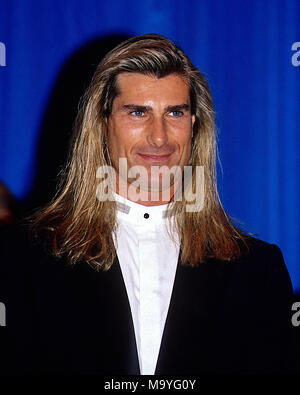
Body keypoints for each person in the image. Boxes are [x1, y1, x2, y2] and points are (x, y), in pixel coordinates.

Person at [0, 34, 296, 376]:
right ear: (103, 122)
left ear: (194, 125)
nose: (159, 137)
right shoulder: (23, 260)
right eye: (138, 112)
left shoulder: (257, 271)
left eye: (175, 112)